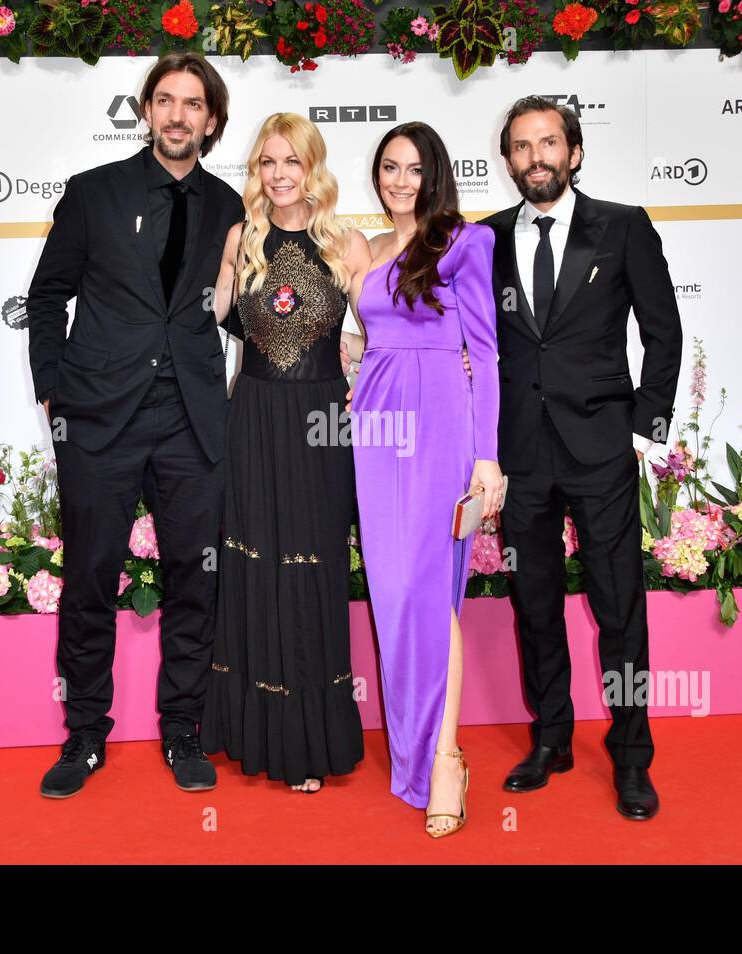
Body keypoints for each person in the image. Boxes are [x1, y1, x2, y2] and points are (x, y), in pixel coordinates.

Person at [26, 53, 244, 798]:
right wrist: (53, 390)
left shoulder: (227, 207)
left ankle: (182, 727)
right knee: (89, 579)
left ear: (211, 121)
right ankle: (85, 734)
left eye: (193, 104)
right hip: (99, 417)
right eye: (165, 100)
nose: (178, 114)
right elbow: (48, 295)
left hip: (190, 418)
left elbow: (235, 306)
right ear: (146, 111)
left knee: (196, 579)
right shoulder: (93, 195)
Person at [480, 96, 682, 819]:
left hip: (600, 452)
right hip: (521, 457)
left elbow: (664, 332)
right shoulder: (486, 239)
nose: (536, 157)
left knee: (618, 610)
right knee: (535, 607)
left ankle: (632, 757)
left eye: (548, 143)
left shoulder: (623, 227)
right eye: (522, 147)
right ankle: (552, 738)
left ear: (575, 151)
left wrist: (642, 428)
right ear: (508, 160)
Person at [200, 113, 371, 793]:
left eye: (291, 162)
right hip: (255, 419)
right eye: (267, 162)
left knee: (312, 570)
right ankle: (250, 733)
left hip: (323, 425)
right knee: (255, 567)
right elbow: (207, 319)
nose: (278, 175)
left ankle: (308, 741)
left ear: (314, 168)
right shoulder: (242, 239)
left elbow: (384, 334)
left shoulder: (348, 244)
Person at [350, 122, 502, 838]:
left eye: (413, 168)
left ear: (434, 173)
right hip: (375, 424)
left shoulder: (464, 241)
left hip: (439, 415)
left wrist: (487, 455)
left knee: (426, 581)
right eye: (389, 167)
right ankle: (416, 750)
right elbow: (363, 337)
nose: (400, 180)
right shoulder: (369, 249)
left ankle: (445, 757)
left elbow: (488, 353)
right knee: (392, 588)